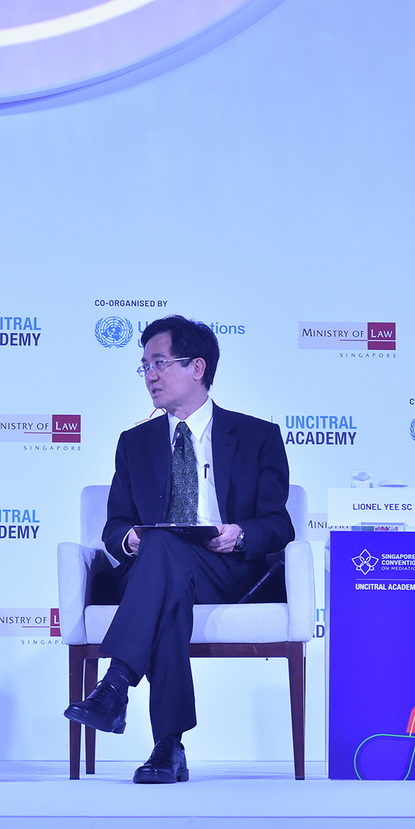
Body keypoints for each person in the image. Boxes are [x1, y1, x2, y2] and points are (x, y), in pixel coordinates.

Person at [64, 315, 294, 783]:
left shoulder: (256, 436)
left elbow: (279, 525)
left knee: (165, 560)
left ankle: (116, 685)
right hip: (155, 569)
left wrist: (239, 534)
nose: (149, 375)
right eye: (144, 366)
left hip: (226, 570)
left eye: (159, 363)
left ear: (197, 367)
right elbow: (115, 524)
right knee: (165, 562)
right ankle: (167, 746)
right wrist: (129, 539)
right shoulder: (134, 443)